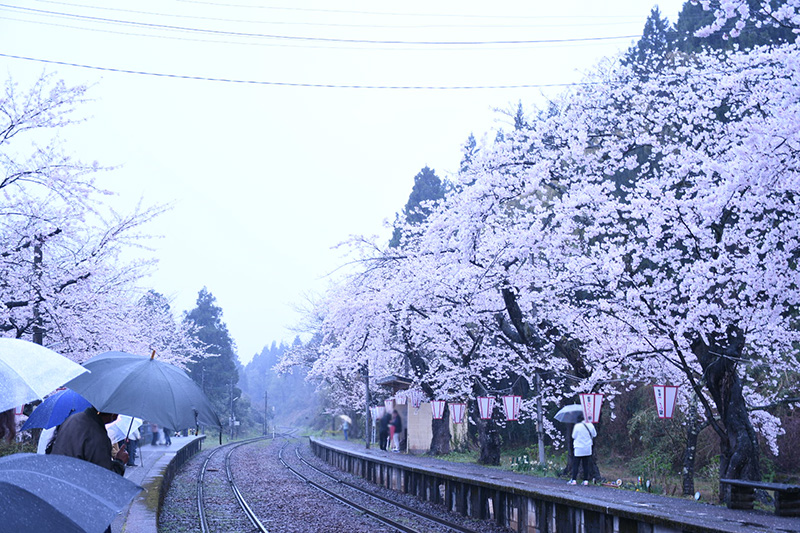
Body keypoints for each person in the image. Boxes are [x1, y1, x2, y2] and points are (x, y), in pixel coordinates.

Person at [568, 412, 597, 485]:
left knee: (576, 464)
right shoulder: (590, 425)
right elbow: (594, 434)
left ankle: (574, 479)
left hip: (578, 448)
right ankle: (585, 480)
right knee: (585, 464)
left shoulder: (577, 426)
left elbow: (573, 436)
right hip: (587, 447)